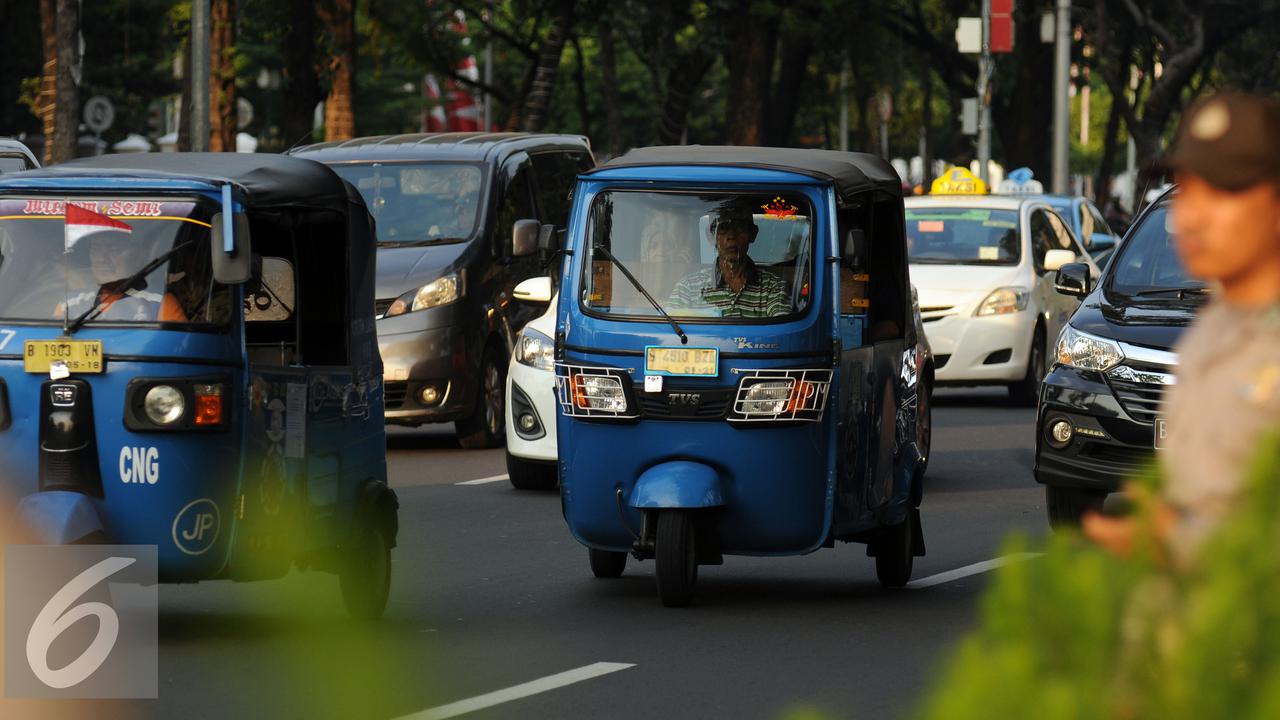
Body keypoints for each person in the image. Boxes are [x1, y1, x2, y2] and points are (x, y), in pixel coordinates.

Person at [1083, 91, 1280, 564]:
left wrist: (1178, 544)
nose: (1191, 216)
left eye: (1222, 190)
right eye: (1188, 190)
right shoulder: (1211, 332)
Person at [668, 203, 790, 318]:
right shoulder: (688, 287)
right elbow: (671, 331)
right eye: (723, 227)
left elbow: (780, 333)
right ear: (711, 236)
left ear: (752, 233)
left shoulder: (773, 288)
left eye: (739, 227)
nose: (731, 235)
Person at [55, 233, 187, 322]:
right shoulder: (70, 303)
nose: (102, 259)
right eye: (96, 250)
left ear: (138, 256)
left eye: (114, 250)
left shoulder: (159, 303)